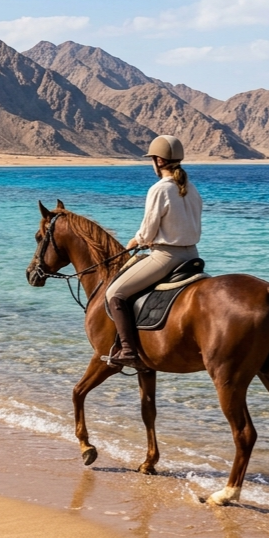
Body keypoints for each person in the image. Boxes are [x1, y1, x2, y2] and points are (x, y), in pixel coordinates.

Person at [104, 135, 202, 370]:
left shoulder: (159, 189)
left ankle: (128, 351)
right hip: (193, 256)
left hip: (166, 257)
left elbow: (148, 231)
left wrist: (136, 241)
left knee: (115, 293)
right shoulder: (191, 188)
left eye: (153, 159)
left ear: (159, 160)